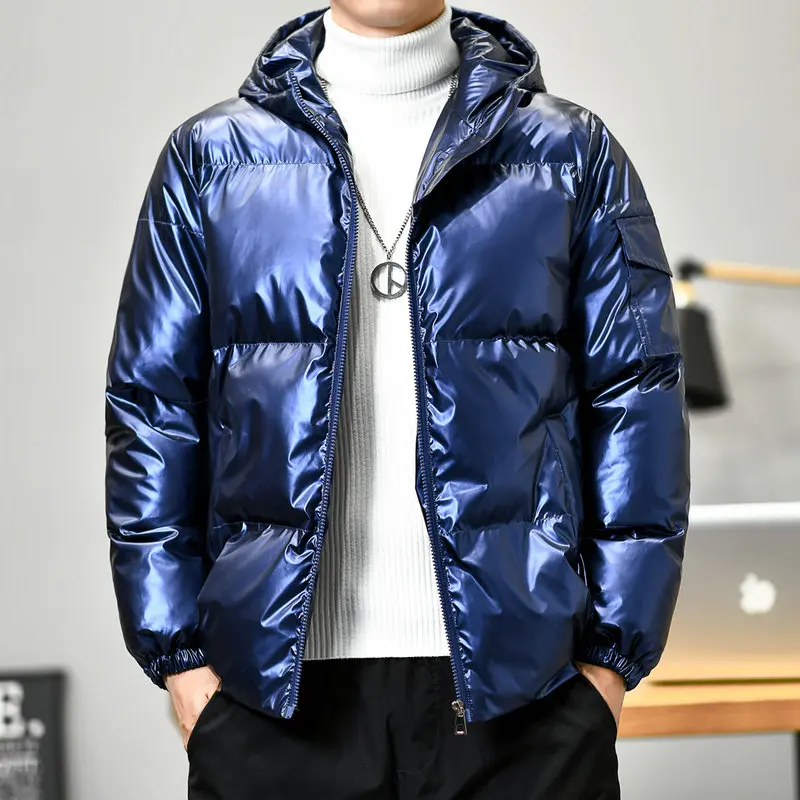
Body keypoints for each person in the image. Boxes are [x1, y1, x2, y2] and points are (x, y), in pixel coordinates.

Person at [104, 1, 690, 797]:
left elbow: (637, 401)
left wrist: (608, 665)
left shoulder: (570, 153)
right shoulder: (211, 158)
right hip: (269, 706)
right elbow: (151, 414)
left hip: (526, 707)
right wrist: (182, 662)